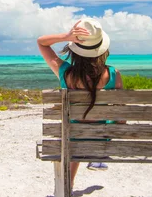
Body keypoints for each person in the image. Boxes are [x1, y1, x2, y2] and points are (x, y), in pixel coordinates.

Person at [37, 18, 122, 187]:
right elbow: (120, 113)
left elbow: (41, 42)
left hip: (73, 135)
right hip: (101, 137)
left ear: (74, 48)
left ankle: (69, 185)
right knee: (103, 123)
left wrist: (67, 36)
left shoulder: (65, 72)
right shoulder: (113, 74)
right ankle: (96, 156)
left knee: (75, 132)